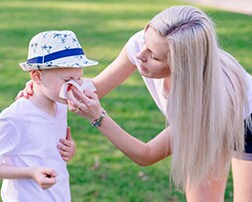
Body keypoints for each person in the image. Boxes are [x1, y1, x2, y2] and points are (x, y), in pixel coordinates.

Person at [17, 6, 252, 201]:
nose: (140, 56)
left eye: (155, 56)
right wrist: (45, 90)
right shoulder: (143, 46)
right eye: (145, 44)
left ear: (182, 67)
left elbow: (146, 154)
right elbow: (96, 87)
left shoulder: (207, 100)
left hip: (246, 125)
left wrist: (98, 117)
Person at [0, 30, 98, 201]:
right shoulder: (15, 118)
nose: (75, 87)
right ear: (37, 76)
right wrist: (31, 172)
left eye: (79, 78)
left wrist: (71, 148)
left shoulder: (60, 104)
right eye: (67, 80)